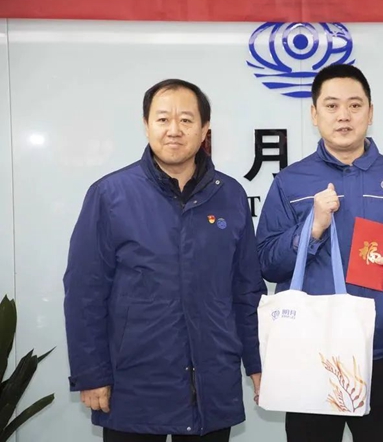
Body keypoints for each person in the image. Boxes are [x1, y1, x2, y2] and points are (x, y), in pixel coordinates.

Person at [63, 79, 266, 442]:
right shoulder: (110, 195)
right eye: (162, 119)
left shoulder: (230, 195)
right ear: (146, 125)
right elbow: (84, 291)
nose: (174, 130)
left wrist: (258, 363)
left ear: (204, 129)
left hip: (211, 385)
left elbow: (246, 290)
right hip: (135, 386)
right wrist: (91, 373)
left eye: (186, 120)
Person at [256, 64, 383, 442]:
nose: (343, 115)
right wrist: (311, 228)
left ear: (370, 113)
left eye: (355, 105)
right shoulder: (290, 182)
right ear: (314, 114)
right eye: (331, 106)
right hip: (311, 355)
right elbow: (265, 261)